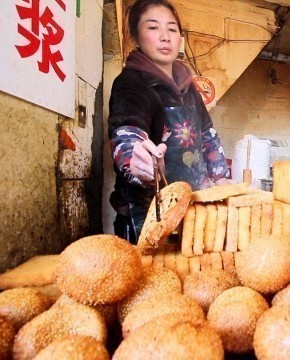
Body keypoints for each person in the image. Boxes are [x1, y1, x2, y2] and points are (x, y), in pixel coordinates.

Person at [108, 0, 230, 243]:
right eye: (153, 28)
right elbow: (127, 132)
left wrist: (222, 178)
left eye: (172, 29)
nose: (165, 37)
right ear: (136, 36)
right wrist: (137, 159)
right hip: (151, 215)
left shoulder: (189, 87)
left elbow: (207, 134)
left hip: (194, 211)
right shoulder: (130, 83)